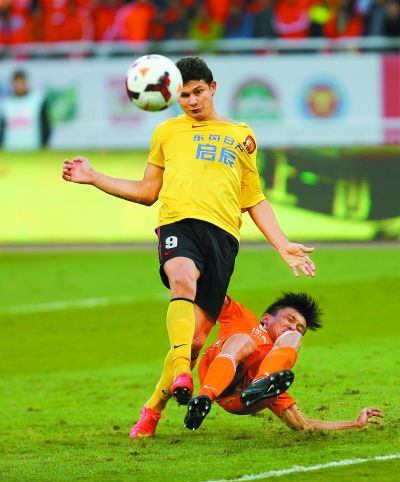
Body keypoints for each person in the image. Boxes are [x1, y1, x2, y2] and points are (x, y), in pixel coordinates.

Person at [62, 56, 316, 435]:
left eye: (198, 92)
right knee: (181, 278)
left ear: (213, 88)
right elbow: (148, 192)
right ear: (173, 97)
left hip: (223, 239)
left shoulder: (242, 135)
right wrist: (94, 177)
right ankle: (182, 370)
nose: (192, 101)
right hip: (178, 223)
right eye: (184, 95)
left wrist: (281, 244)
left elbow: (253, 198)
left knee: (194, 341)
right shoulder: (167, 132)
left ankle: (152, 409)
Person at [183, 292, 383, 432]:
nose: (293, 327)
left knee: (291, 342)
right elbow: (214, 293)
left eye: (300, 327)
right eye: (289, 319)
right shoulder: (243, 319)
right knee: (244, 340)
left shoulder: (276, 371)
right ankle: (204, 398)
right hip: (216, 372)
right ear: (266, 318)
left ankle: (258, 385)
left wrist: (356, 423)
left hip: (241, 399)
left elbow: (302, 425)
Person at [0, 70, 51, 151]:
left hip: (34, 148)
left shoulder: (37, 101)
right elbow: (2, 127)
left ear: (26, 82)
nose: (19, 86)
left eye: (21, 82)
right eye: (16, 83)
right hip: (9, 149)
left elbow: (46, 126)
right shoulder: (5, 104)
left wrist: (43, 145)